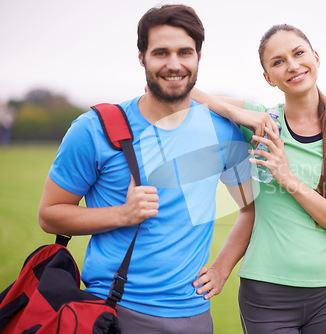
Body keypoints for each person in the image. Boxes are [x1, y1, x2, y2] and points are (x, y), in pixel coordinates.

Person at [38, 4, 254, 334]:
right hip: (114, 311)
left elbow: (249, 208)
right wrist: (122, 214)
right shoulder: (94, 129)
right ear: (142, 58)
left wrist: (223, 268)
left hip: (195, 315)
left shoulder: (223, 131)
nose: (174, 64)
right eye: (161, 53)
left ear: (198, 57)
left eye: (185, 52)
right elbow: (50, 214)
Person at [191, 24, 326, 334]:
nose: (292, 65)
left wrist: (288, 178)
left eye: (298, 53)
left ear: (315, 57)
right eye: (278, 61)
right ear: (268, 77)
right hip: (266, 297)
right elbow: (181, 92)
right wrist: (239, 114)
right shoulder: (262, 123)